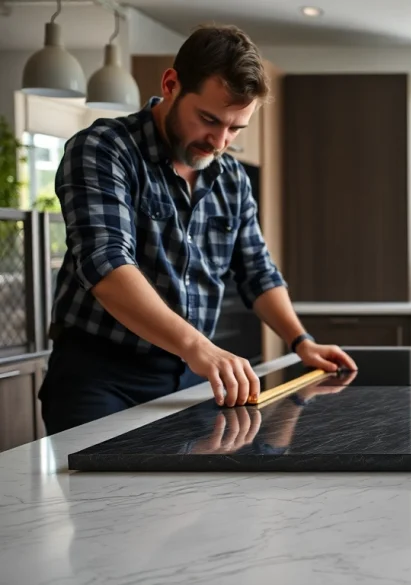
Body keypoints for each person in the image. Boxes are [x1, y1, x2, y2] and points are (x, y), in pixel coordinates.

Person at [38, 24, 356, 435]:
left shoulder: (231, 179)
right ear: (171, 84)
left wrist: (301, 341)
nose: (220, 142)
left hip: (191, 376)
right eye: (209, 119)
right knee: (103, 499)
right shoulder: (103, 149)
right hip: (100, 376)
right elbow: (106, 264)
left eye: (236, 128)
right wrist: (199, 348)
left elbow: (256, 271)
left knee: (189, 498)